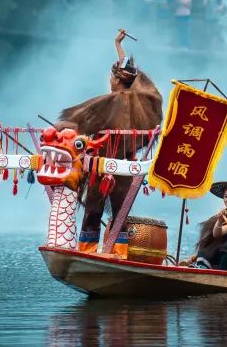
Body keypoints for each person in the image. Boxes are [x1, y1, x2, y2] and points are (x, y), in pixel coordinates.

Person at [57, 29, 163, 258]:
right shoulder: (143, 102)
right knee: (120, 213)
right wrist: (119, 46)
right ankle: (119, 253)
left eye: (112, 77)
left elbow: (77, 122)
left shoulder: (109, 103)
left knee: (93, 210)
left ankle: (87, 251)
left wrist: (60, 130)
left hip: (101, 164)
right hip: (125, 166)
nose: (110, 80)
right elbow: (133, 76)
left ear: (116, 79)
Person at [190, 181, 227, 268]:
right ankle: (202, 264)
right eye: (226, 196)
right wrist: (219, 220)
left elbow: (219, 233)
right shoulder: (220, 216)